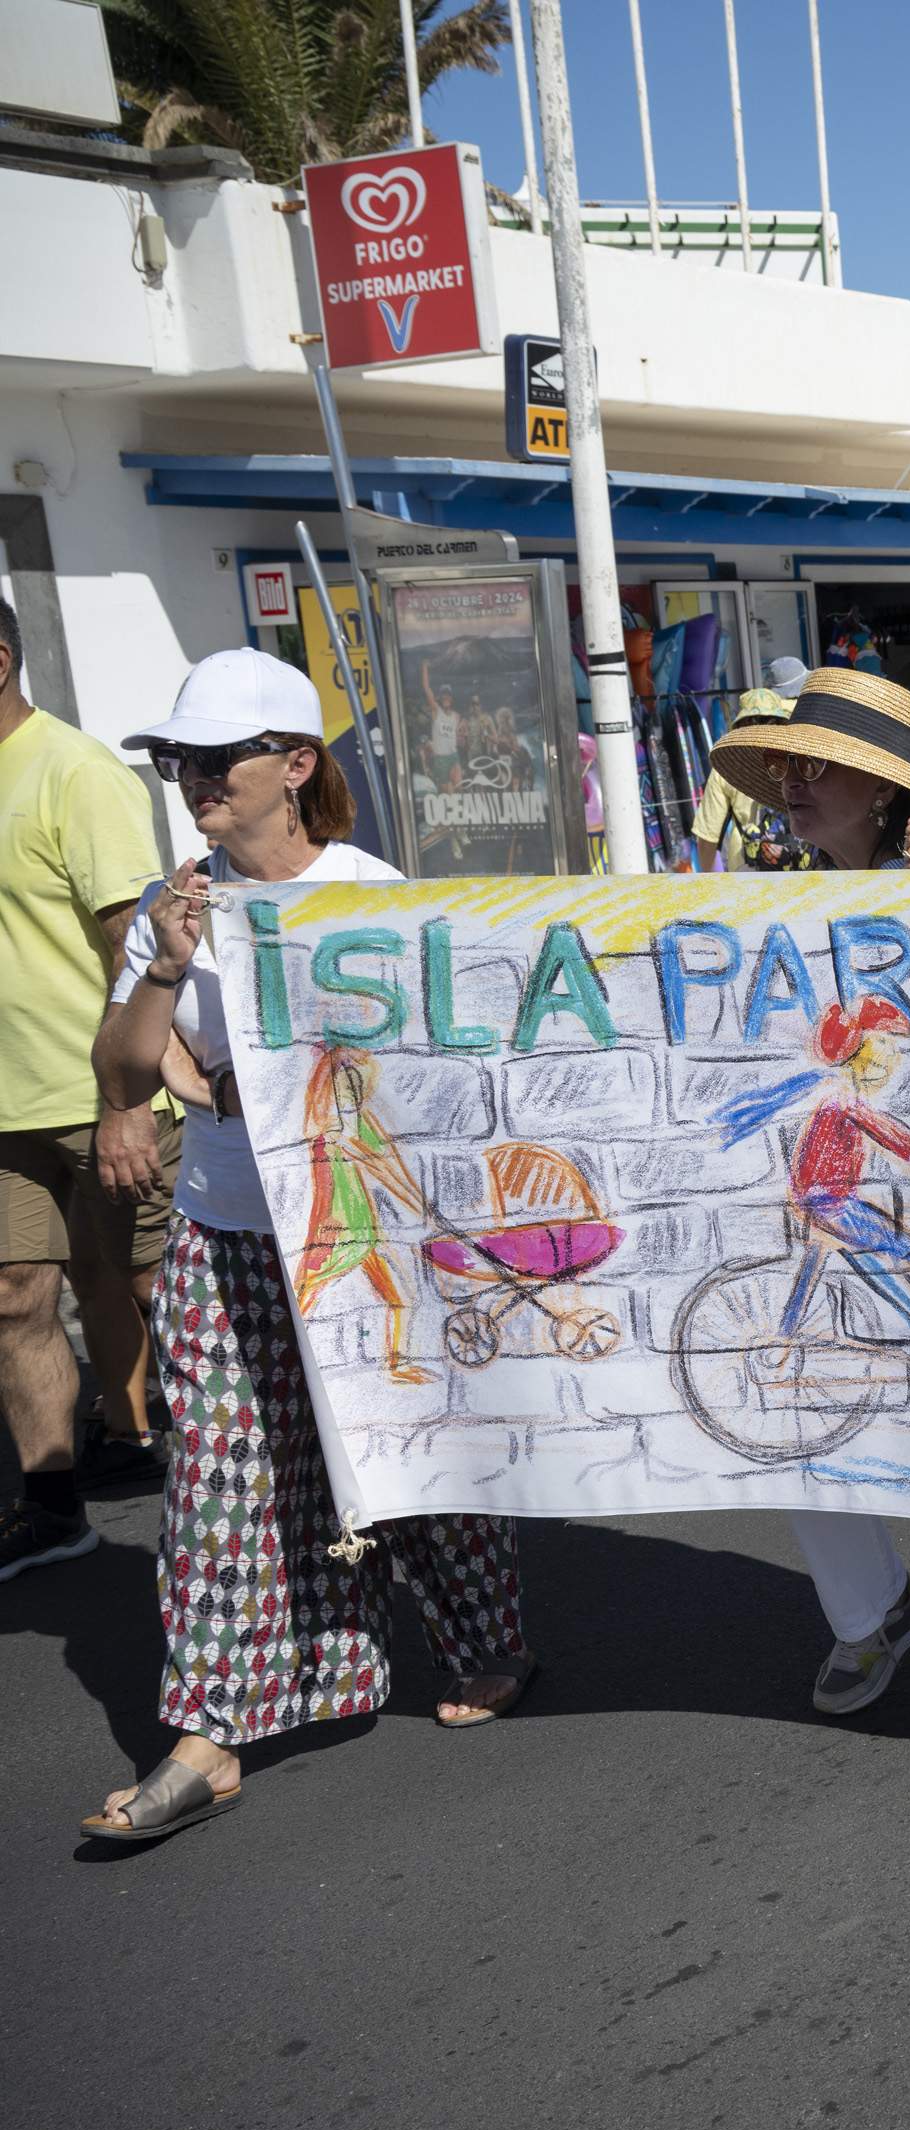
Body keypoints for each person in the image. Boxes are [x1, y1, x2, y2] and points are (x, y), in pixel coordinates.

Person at [77, 651, 529, 1843]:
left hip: (367, 1228)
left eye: (212, 758)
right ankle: (209, 1728)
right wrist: (166, 965)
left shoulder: (371, 895)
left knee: (409, 1450)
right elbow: (120, 1065)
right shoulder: (179, 903)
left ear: (293, 765)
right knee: (219, 1473)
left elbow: (443, 1065)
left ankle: (485, 1639)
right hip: (228, 1228)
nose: (192, 779)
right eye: (176, 761)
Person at [707, 667, 910, 1750]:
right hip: (825, 1184)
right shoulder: (781, 908)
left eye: (820, 768)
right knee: (795, 1409)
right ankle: (874, 1611)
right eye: (787, 768)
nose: (794, 786)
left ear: (883, 791)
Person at [0, 593, 173, 1576]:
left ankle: (249, 1475)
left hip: (96, 1098)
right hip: (4, 1110)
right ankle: (54, 1504)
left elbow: (134, 946)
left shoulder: (76, 771)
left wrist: (128, 1101)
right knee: (14, 1297)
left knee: (154, 1289)